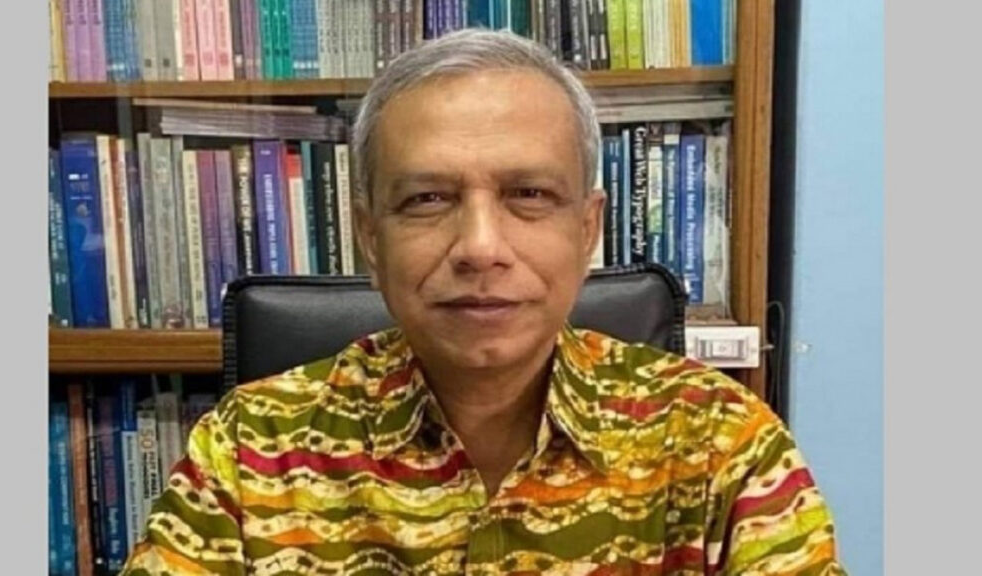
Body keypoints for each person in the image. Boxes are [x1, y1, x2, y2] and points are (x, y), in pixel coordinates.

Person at [121, 29, 845, 575]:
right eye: (426, 199)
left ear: (587, 229)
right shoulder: (252, 450)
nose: (479, 246)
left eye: (529, 194)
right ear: (369, 236)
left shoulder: (717, 441)